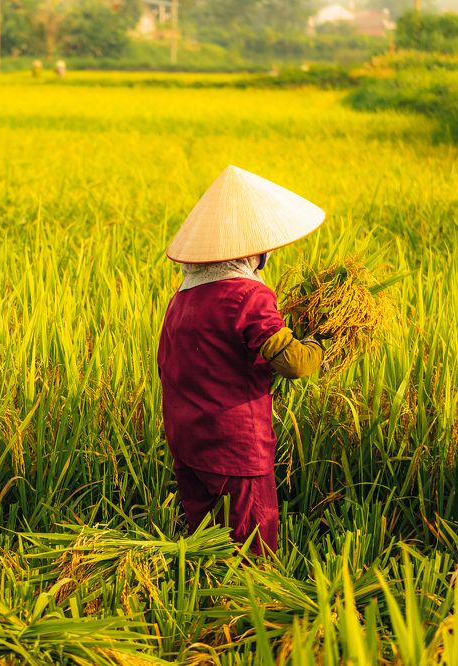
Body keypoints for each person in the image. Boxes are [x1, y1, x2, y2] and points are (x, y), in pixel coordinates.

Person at [157, 166, 326, 555]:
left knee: (206, 550)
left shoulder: (183, 297)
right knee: (253, 555)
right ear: (253, 250)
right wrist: (323, 340)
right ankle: (252, 612)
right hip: (235, 448)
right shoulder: (248, 297)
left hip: (188, 442)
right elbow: (295, 363)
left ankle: (205, 609)